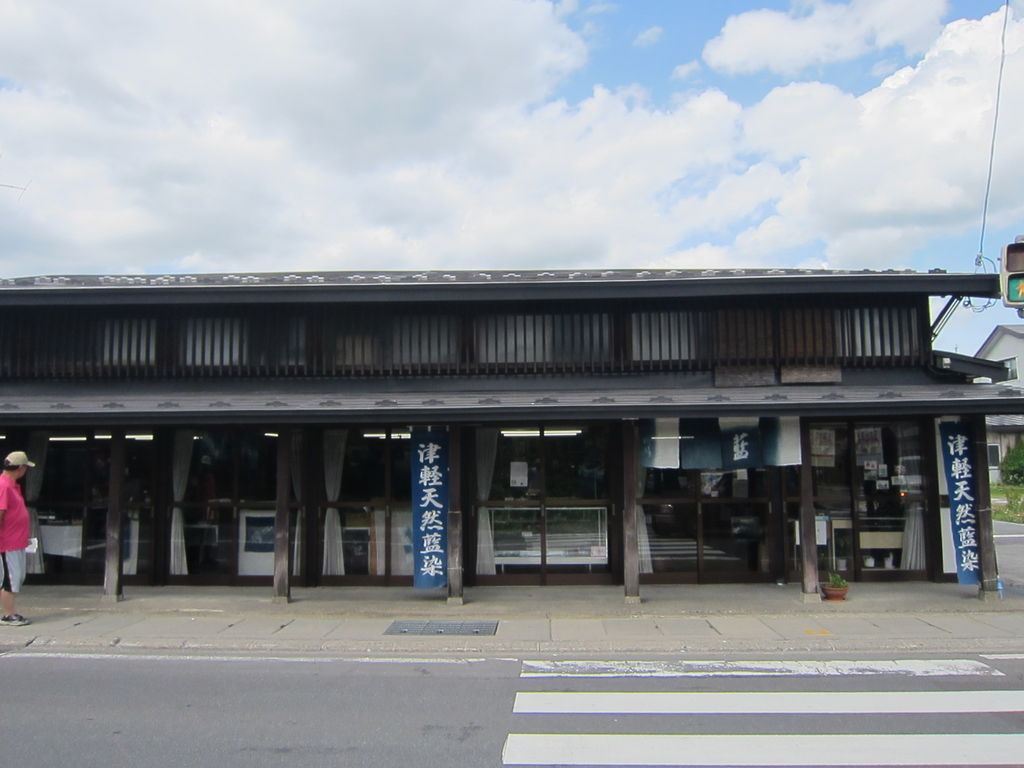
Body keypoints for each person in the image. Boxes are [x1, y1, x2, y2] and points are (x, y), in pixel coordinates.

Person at [0, 450, 35, 626]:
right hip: (7, 542)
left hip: (16, 541)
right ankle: (8, 614)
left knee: (16, 577)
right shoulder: (4, 486)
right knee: (10, 578)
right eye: (25, 468)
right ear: (20, 468)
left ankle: (10, 612)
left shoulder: (12, 486)